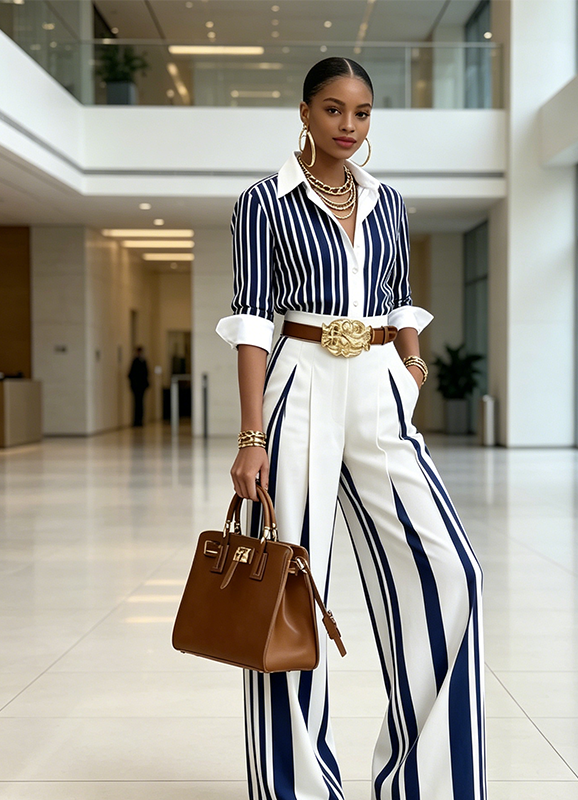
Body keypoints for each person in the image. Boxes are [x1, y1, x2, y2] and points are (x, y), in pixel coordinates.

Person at [216, 57, 486, 800]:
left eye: (361, 112)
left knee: (453, 572)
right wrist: (250, 437)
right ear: (304, 112)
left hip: (378, 384)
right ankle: (295, 785)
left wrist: (412, 364)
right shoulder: (263, 204)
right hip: (300, 378)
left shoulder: (390, 201)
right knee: (288, 590)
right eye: (333, 109)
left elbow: (398, 297)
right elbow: (249, 322)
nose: (347, 125)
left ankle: (429, 782)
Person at [127, 346, 149, 427]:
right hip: (136, 386)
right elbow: (130, 374)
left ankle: (140, 420)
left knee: (141, 403)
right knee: (137, 403)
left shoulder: (143, 361)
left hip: (141, 386)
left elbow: (146, 373)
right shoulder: (135, 361)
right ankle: (136, 420)